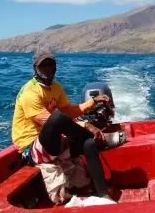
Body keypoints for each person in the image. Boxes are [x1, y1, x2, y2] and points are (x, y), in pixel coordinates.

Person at [12, 49, 125, 201]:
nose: (47, 69)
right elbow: (52, 121)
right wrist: (87, 126)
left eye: (50, 65)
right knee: (58, 118)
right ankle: (101, 139)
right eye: (43, 66)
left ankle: (102, 193)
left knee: (89, 144)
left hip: (53, 142)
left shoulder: (56, 87)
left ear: (55, 67)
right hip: (31, 147)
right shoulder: (30, 92)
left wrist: (93, 102)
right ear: (35, 69)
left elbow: (70, 111)